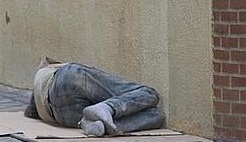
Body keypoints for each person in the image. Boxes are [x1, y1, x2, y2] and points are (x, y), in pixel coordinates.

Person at [24, 57, 165, 137]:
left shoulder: (37, 94)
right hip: (69, 78)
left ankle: (102, 126)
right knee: (150, 93)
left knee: (157, 115)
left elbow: (29, 112)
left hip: (62, 116)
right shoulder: (50, 69)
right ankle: (107, 107)